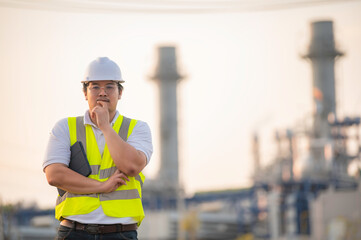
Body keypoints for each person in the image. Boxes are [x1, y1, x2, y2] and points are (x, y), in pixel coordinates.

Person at [43, 57, 153, 240]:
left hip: (120, 233)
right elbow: (54, 175)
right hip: (73, 232)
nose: (102, 92)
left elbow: (132, 166)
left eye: (110, 86)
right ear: (85, 93)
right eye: (95, 86)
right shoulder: (64, 127)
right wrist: (102, 186)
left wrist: (105, 127)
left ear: (120, 92)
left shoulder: (138, 128)